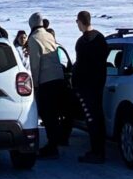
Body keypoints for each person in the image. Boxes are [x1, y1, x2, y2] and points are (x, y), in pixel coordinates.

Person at [27, 12, 70, 158]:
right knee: (56, 114)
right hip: (58, 78)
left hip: (46, 81)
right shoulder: (49, 36)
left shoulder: (33, 39)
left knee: (48, 114)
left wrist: (35, 84)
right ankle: (58, 141)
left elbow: (35, 64)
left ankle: (52, 146)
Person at [73, 10, 109, 163]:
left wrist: (76, 84)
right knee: (97, 117)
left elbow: (80, 65)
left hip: (87, 86)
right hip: (98, 84)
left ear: (80, 21)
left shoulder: (82, 42)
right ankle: (98, 150)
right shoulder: (100, 38)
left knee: (91, 119)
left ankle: (97, 152)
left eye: (77, 22)